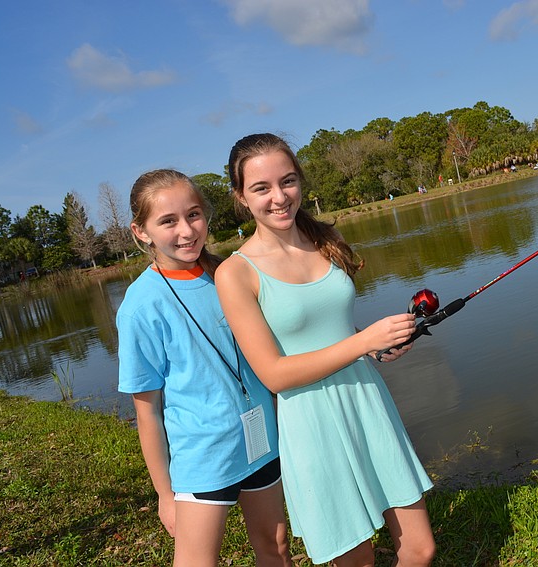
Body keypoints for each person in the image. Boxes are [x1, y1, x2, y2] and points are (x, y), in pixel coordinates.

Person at [215, 133, 436, 567]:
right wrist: (363, 341)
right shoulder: (234, 273)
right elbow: (274, 374)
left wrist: (377, 348)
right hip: (310, 421)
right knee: (358, 560)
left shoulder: (325, 239)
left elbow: (333, 328)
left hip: (366, 401)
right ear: (241, 197)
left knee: (420, 548)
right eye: (261, 188)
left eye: (288, 181)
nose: (279, 197)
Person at [116, 169, 292, 567]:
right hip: (203, 457)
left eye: (193, 215)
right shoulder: (140, 307)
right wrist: (165, 494)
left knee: (277, 545)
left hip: (261, 439)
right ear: (140, 232)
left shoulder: (229, 272)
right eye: (167, 221)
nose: (186, 230)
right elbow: (147, 412)